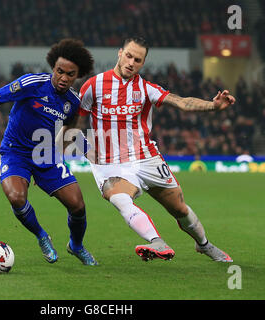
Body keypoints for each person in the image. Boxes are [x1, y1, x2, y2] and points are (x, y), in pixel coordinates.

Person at [72, 37, 235, 262]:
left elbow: (181, 102)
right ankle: (156, 242)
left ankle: (204, 245)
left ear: (142, 63)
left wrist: (213, 105)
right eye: (128, 56)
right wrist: (87, 151)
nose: (131, 62)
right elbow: (72, 124)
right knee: (121, 199)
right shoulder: (93, 85)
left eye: (137, 60)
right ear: (120, 53)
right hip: (110, 164)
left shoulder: (146, 88)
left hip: (146, 157)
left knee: (180, 209)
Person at [0, 39, 98, 265]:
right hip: (15, 152)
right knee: (16, 197)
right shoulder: (31, 84)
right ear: (53, 67)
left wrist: (59, 149)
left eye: (70, 74)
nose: (63, 77)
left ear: (77, 75)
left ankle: (76, 245)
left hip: (46, 156)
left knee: (78, 205)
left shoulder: (72, 101)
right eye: (59, 71)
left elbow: (70, 127)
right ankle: (42, 236)